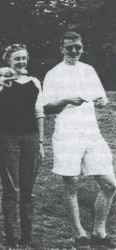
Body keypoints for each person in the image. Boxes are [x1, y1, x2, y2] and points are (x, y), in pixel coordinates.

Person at [42, 31, 116, 249]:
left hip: (91, 133)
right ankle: (80, 234)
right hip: (67, 133)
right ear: (61, 49)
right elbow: (46, 108)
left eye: (78, 47)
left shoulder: (89, 70)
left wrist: (102, 101)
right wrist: (65, 100)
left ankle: (99, 232)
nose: (74, 51)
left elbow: (101, 97)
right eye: (69, 47)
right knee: (71, 183)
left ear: (82, 47)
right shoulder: (53, 74)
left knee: (110, 185)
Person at [0, 44, 45, 248]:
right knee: (11, 190)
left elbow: (39, 112)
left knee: (28, 191)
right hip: (6, 138)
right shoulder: (3, 81)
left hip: (30, 138)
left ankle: (27, 237)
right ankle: (11, 239)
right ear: (8, 61)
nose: (21, 62)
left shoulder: (34, 82)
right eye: (17, 59)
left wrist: (41, 142)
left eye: (24, 58)